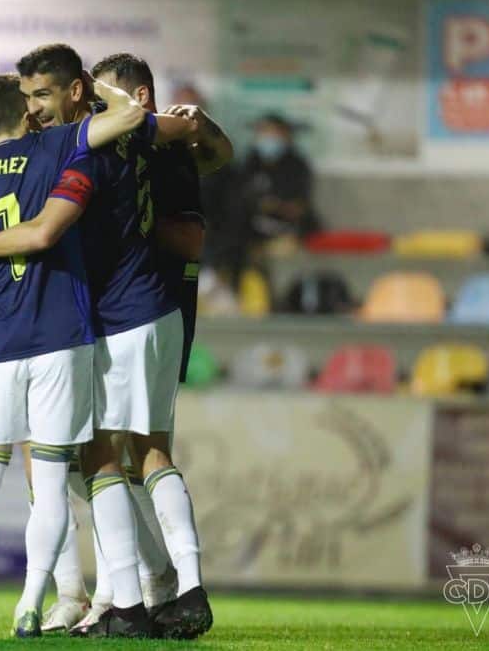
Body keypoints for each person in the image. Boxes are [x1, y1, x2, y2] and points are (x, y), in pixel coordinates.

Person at [0, 44, 208, 638]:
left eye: (44, 95)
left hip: (109, 319)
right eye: (29, 100)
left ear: (78, 94)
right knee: (147, 453)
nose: (37, 111)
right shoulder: (149, 141)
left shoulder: (78, 152)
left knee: (92, 458)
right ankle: (178, 587)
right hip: (159, 309)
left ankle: (123, 599)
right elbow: (208, 144)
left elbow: (44, 230)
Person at [0, 71, 148, 638]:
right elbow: (126, 117)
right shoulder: (50, 147)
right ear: (26, 113)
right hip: (59, 340)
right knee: (49, 485)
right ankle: (30, 603)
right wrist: (92, 83)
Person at [90, 52, 230, 640]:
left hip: (150, 312)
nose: (102, 114)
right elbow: (219, 149)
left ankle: (153, 589)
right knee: (131, 457)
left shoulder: (160, 151)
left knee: (115, 457)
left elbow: (191, 237)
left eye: (109, 101)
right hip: (145, 314)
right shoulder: (143, 146)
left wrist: (125, 224)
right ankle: (159, 588)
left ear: (140, 98)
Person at [239, 112, 320, 253]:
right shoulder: (250, 163)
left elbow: (298, 206)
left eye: (274, 132)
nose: (269, 137)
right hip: (250, 228)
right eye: (264, 132)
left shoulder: (297, 165)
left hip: (287, 229)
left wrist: (275, 205)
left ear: (287, 136)